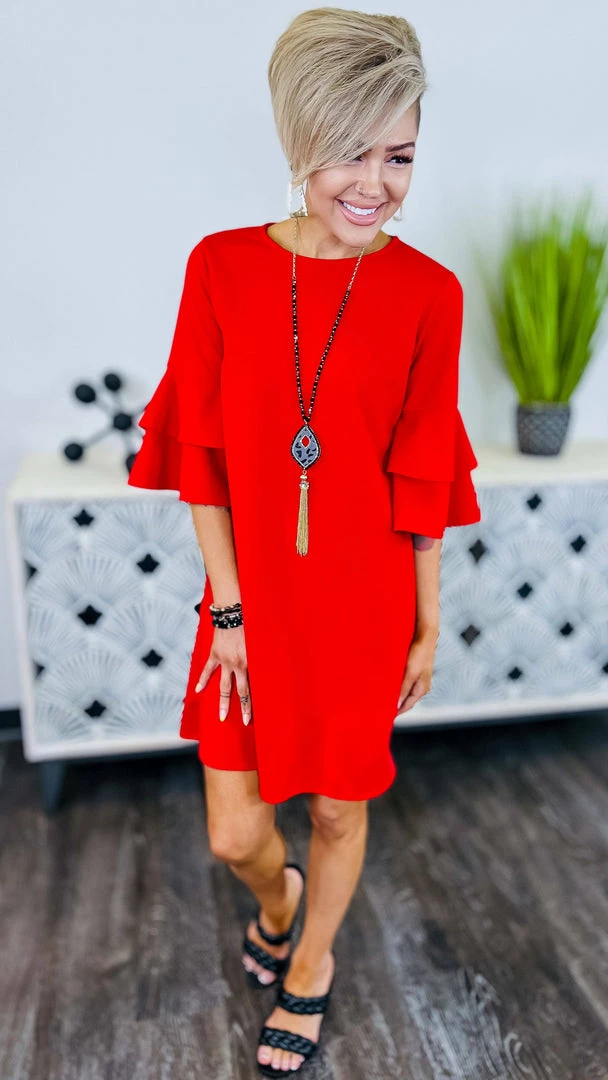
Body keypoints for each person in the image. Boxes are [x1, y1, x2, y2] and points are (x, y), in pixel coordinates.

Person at [127, 7, 481, 1075]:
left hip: (365, 603)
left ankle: (312, 963)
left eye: (399, 156)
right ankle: (276, 903)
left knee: (335, 808)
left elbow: (422, 472)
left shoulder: (429, 294)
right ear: (298, 143)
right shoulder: (221, 268)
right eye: (349, 153)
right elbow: (202, 456)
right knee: (235, 832)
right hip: (249, 601)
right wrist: (228, 608)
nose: (374, 183)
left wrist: (427, 621)